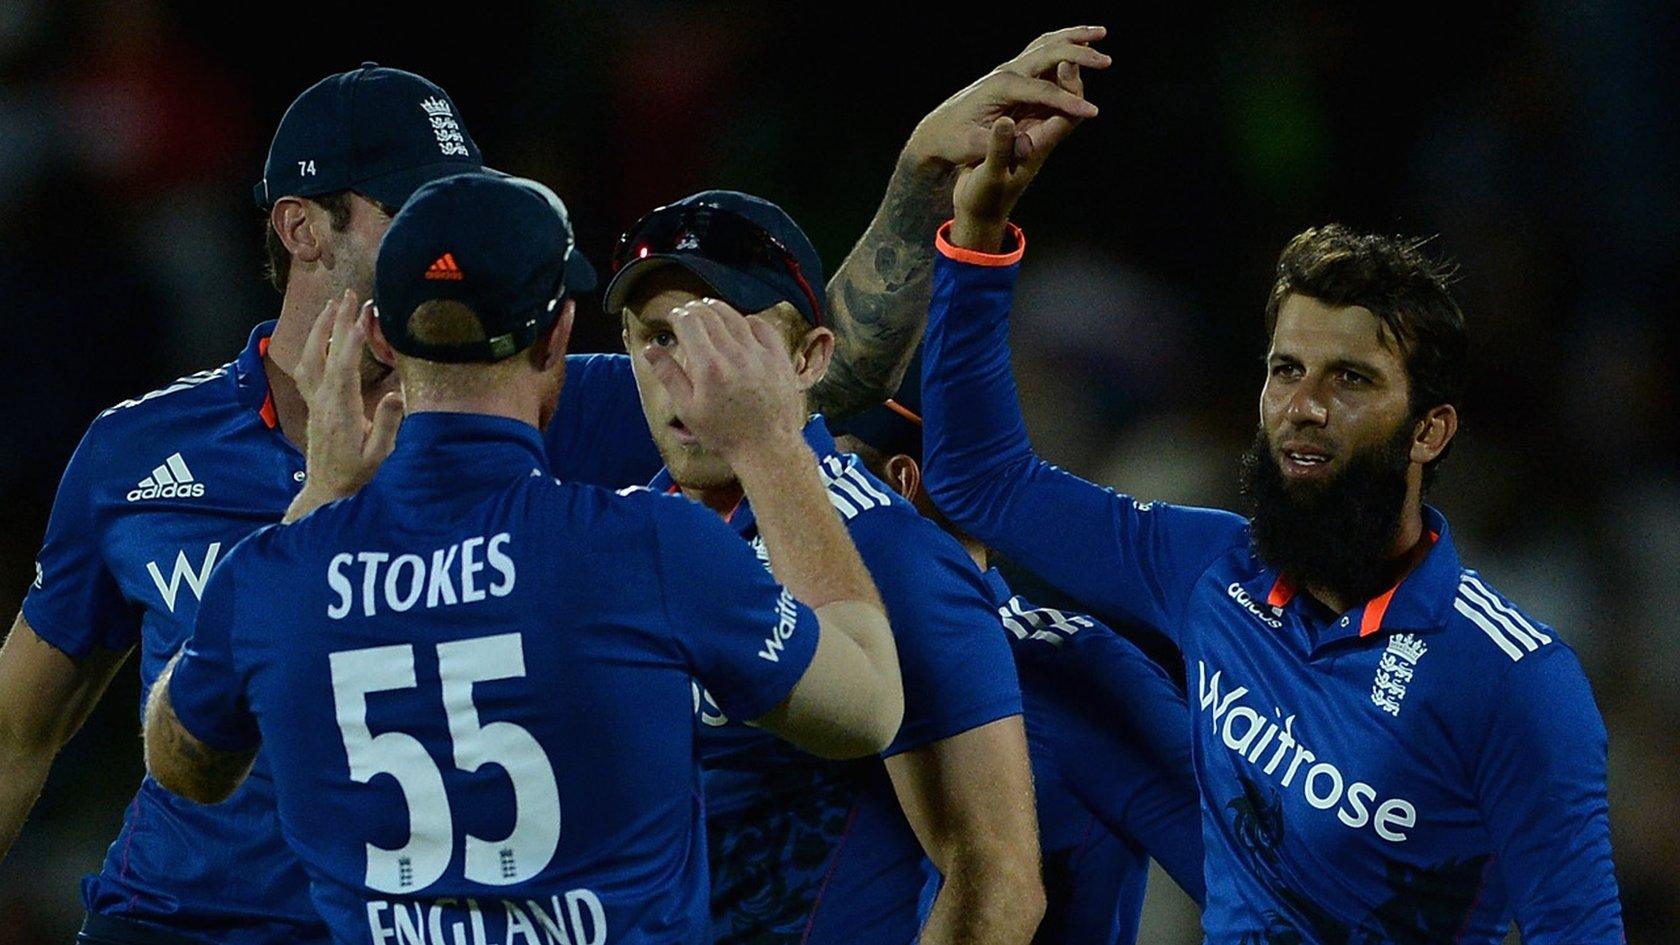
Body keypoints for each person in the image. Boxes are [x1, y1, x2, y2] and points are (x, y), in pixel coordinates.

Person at [1, 27, 1103, 943]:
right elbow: (19, 736)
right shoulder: (136, 454)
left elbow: (796, 370)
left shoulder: (544, 402)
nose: (451, 235)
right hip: (173, 920)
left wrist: (918, 183)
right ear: (304, 229)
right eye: (413, 207)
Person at [917, 76, 1626, 943]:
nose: (1305, 404)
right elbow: (983, 480)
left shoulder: (1514, 678)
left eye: (1351, 379)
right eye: (1286, 369)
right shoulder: (1213, 565)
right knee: (1031, 646)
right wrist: (980, 233)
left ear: (1430, 430)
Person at [141, 170, 904, 945]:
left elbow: (185, 763)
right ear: (558, 334)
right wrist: (770, 442)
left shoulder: (270, 578)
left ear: (378, 335)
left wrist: (314, 508)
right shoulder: (647, 547)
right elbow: (868, 706)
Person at [606, 188, 1043, 945]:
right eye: (660, 338)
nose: (692, 374)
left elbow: (997, 881)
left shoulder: (887, 552)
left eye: (728, 340)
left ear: (809, 358)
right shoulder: (625, 530)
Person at [828, 356, 1206, 945]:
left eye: (838, 476)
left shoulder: (1064, 665)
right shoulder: (824, 660)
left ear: (900, 483)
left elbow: (1261, 875)